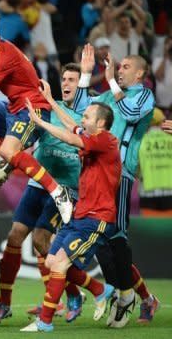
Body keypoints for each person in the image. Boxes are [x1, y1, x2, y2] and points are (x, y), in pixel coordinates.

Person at [0, 3, 73, 223]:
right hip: (12, 107)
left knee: (7, 147)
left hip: (33, 110)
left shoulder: (2, 54)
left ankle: (58, 192)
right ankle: (3, 161)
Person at [0, 64, 85, 325]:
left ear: (82, 84)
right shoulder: (42, 107)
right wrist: (6, 166)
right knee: (15, 236)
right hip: (36, 184)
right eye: (64, 78)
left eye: (72, 80)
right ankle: (4, 302)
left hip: (66, 188)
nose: (66, 83)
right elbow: (24, 140)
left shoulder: (86, 113)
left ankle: (74, 295)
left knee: (42, 241)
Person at [73, 44, 158, 327]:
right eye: (118, 67)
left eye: (125, 67)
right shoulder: (109, 95)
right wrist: (86, 75)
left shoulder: (144, 94)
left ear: (140, 74)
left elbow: (132, 114)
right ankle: (127, 294)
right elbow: (81, 112)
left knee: (114, 233)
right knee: (99, 235)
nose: (119, 70)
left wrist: (108, 78)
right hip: (95, 174)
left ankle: (127, 296)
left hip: (120, 174)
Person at [21, 98, 120, 333]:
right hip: (79, 214)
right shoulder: (92, 138)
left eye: (86, 117)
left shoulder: (105, 140)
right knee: (52, 261)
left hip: (97, 217)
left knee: (60, 265)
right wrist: (51, 103)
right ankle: (100, 290)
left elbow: (69, 137)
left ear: (101, 123)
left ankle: (44, 321)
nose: (81, 120)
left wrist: (40, 123)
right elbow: (70, 126)